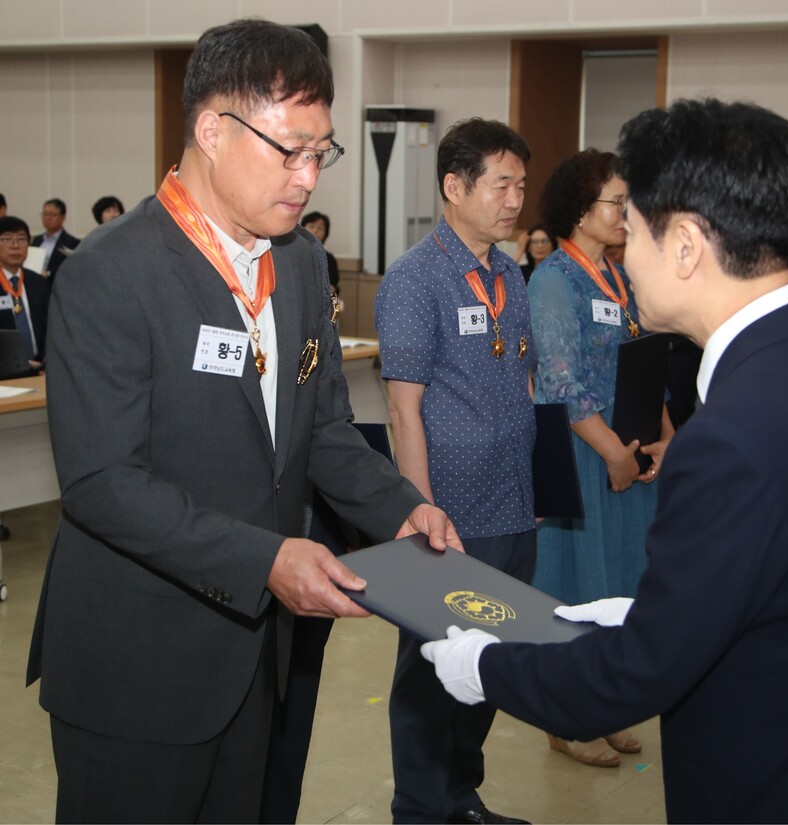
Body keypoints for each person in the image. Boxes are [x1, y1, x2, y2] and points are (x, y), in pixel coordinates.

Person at [421, 98, 788, 823]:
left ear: (685, 246)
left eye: (634, 228)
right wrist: (653, 607)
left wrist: (483, 665)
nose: (625, 249)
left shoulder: (729, 439)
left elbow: (634, 674)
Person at [26, 18, 460, 824]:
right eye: (288, 149)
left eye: (319, 153)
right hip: (137, 657)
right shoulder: (111, 273)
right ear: (212, 130)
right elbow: (102, 483)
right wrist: (267, 560)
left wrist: (399, 508)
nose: (307, 177)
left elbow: (324, 426)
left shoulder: (295, 263)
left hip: (257, 650)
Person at [375, 117, 536, 825]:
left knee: (489, 664)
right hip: (450, 515)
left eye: (521, 185)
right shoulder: (416, 279)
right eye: (502, 183)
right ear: (454, 185)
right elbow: (402, 409)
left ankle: (459, 797)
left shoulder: (509, 273)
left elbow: (522, 379)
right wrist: (420, 513)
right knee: (429, 671)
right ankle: (420, 805)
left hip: (513, 503)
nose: (514, 199)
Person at [527, 149, 673, 768]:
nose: (625, 212)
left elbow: (646, 364)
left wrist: (668, 435)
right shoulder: (555, 279)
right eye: (616, 201)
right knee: (579, 589)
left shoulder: (618, 274)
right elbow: (560, 382)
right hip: (589, 454)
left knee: (622, 585)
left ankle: (604, 706)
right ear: (581, 210)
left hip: (633, 451)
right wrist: (614, 453)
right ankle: (566, 719)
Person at [0, 215, 50, 367]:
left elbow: (50, 328)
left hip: (40, 369)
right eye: (6, 239)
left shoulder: (39, 283)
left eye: (21, 239)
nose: (15, 246)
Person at [31, 198, 79, 282]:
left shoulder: (72, 242)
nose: (48, 218)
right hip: (35, 283)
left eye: (53, 215)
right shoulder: (37, 240)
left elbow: (71, 267)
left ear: (63, 217)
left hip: (56, 285)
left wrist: (49, 273)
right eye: (45, 214)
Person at [301, 210, 339, 290]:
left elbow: (334, 290)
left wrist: (335, 302)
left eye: (320, 228)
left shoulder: (329, 259)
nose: (315, 230)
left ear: (325, 233)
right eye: (311, 226)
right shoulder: (291, 254)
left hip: (322, 300)